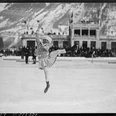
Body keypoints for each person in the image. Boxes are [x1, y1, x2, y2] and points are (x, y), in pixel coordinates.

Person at [35, 28, 66, 93]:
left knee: (55, 53)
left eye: (46, 41)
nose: (45, 42)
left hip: (46, 59)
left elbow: (46, 48)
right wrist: (38, 35)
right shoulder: (39, 43)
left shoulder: (46, 45)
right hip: (42, 60)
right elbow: (38, 41)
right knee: (46, 72)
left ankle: (47, 84)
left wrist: (43, 44)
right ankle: (48, 84)